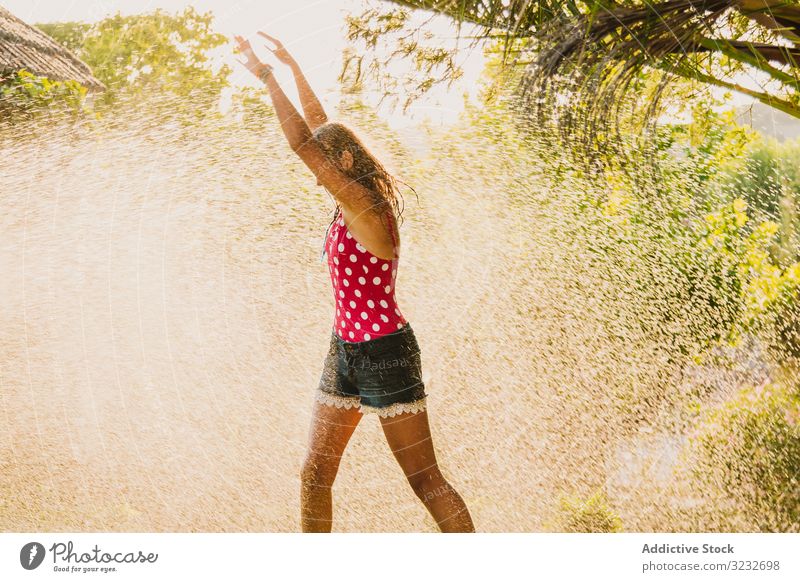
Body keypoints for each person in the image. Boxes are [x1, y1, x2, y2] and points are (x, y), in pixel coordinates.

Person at [234, 32, 474, 533]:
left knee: (425, 480)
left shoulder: (365, 206)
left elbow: (305, 142)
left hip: (386, 352)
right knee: (315, 473)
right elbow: (322, 130)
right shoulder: (349, 195)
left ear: (343, 162)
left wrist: (266, 76)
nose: (315, 173)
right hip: (343, 349)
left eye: (326, 164)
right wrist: (295, 64)